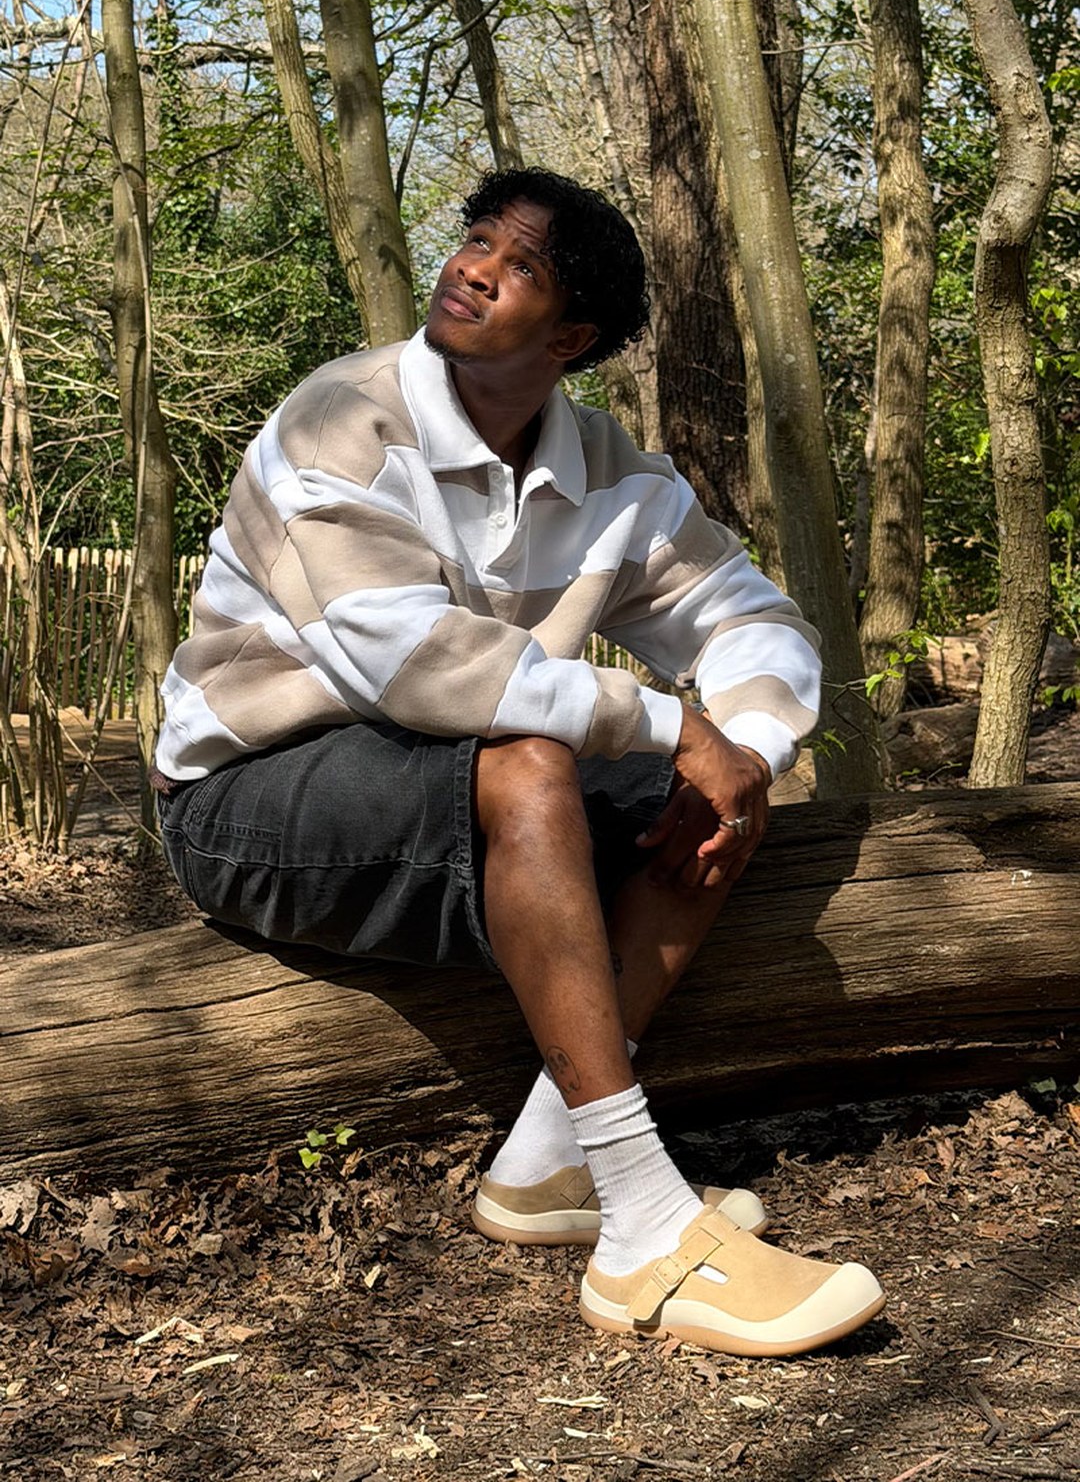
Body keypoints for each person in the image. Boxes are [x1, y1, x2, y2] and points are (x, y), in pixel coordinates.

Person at [153, 167, 885, 1357]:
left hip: (452, 785)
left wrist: (739, 751)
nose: (474, 266)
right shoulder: (342, 416)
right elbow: (413, 662)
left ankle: (550, 1165)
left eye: (522, 264)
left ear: (573, 336)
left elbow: (755, 620)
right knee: (536, 759)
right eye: (478, 239)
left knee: (702, 800)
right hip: (245, 804)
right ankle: (645, 1225)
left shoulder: (610, 474)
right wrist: (661, 721)